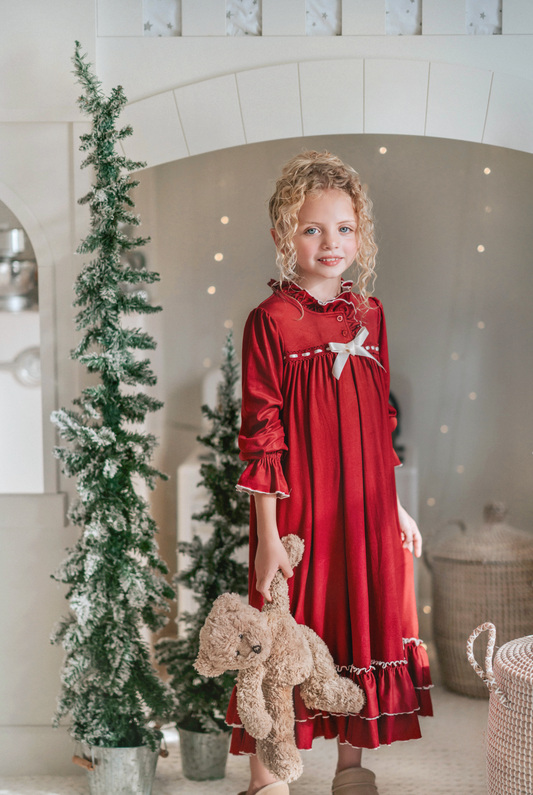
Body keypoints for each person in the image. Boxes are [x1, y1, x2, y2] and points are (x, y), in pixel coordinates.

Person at [225, 151, 433, 795]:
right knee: (285, 632)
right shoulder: (271, 322)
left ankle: (351, 769)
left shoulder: (371, 315)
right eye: (313, 228)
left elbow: (379, 427)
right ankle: (269, 779)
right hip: (299, 511)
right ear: (284, 236)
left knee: (358, 620)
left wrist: (395, 508)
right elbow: (262, 434)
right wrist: (265, 535)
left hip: (367, 507)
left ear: (361, 235)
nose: (330, 243)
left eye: (344, 228)